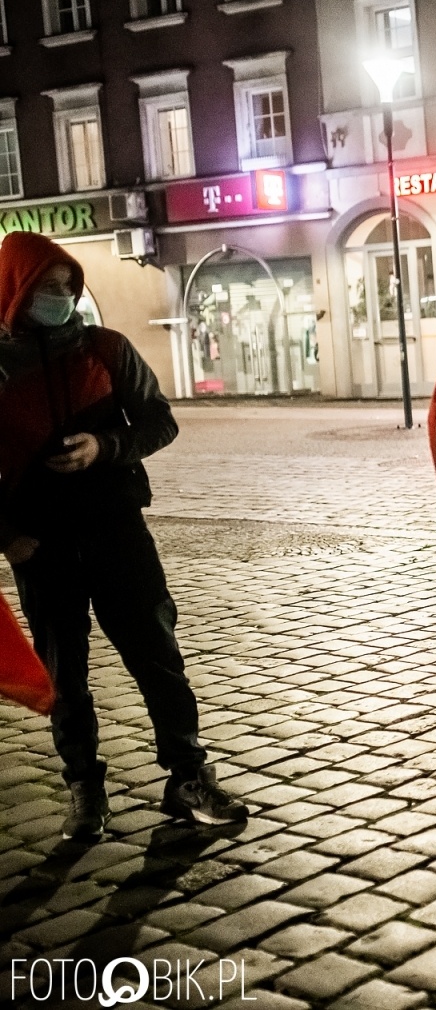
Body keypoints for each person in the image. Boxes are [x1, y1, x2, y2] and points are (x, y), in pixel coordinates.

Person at [0, 231, 248, 842]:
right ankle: (84, 786)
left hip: (116, 530)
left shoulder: (106, 348)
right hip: (42, 546)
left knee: (158, 656)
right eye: (48, 287)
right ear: (16, 290)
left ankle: (188, 776)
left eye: (68, 286)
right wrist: (7, 536)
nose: (62, 297)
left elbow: (159, 422)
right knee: (65, 674)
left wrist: (105, 446)